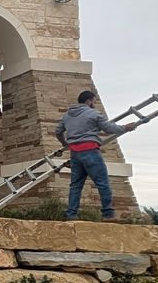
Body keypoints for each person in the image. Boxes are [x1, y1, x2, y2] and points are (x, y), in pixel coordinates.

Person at [55, 88, 134, 221]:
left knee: (75, 185)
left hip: (75, 154)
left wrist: (65, 143)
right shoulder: (93, 113)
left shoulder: (67, 115)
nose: (94, 104)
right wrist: (125, 128)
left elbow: (58, 131)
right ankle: (108, 214)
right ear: (88, 101)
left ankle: (71, 215)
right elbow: (108, 128)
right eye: (94, 101)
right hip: (90, 151)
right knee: (102, 182)